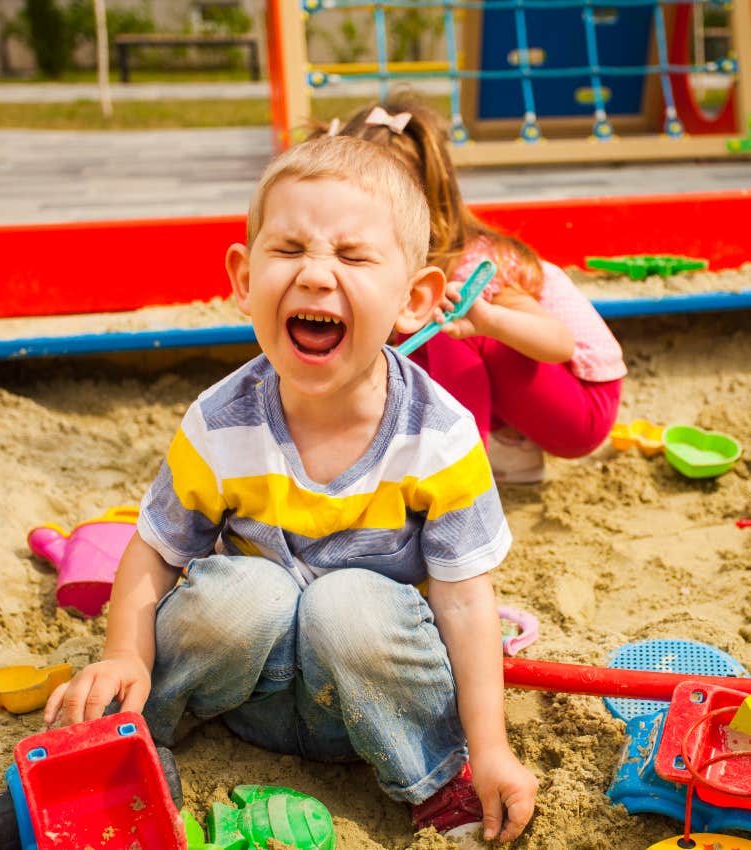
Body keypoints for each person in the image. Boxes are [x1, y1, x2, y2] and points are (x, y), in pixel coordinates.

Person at [44, 135, 537, 845]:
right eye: (289, 249)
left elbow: (464, 597)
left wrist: (489, 748)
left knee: (349, 602)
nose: (314, 275)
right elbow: (152, 553)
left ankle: (434, 779)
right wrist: (124, 654)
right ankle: (138, 738)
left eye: (352, 254)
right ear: (243, 278)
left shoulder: (438, 435)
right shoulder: (220, 422)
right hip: (247, 697)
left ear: (416, 299)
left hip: (368, 709)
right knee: (245, 593)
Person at [319, 97, 627, 484]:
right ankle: (508, 449)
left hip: (583, 403)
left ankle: (461, 470)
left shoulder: (472, 263)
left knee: (442, 317)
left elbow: (559, 344)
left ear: (425, 202)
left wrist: (489, 319)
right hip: (536, 398)